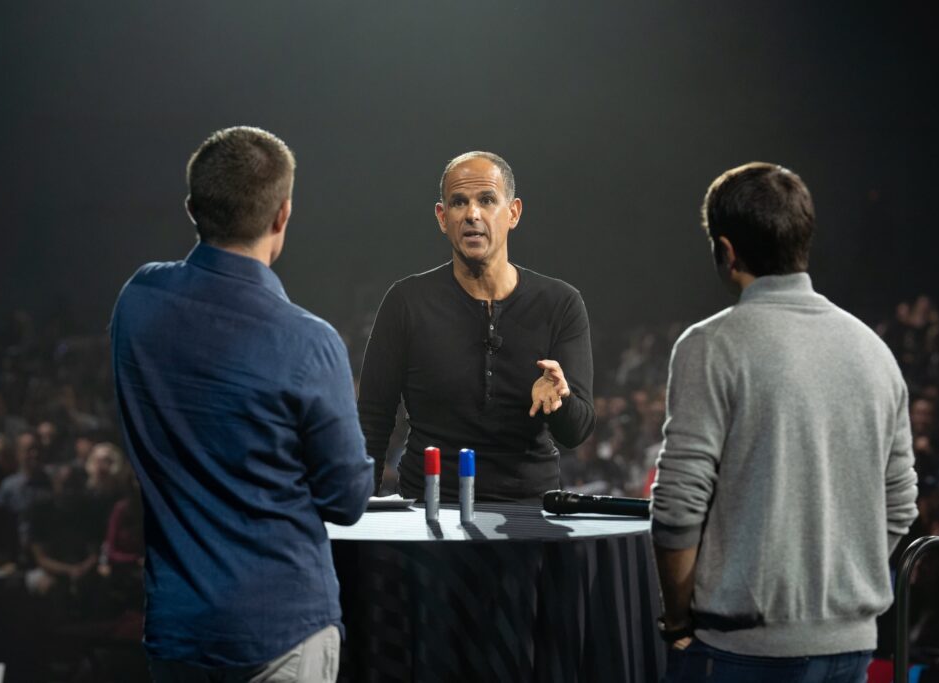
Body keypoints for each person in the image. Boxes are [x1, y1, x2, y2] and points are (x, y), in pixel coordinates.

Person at [111, 126, 373, 682]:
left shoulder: (137, 302)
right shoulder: (309, 341)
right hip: (282, 627)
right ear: (282, 215)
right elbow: (347, 499)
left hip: (179, 630)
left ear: (192, 210)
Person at [650, 162, 919, 682]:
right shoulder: (874, 352)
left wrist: (677, 617)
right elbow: (901, 504)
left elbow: (678, 507)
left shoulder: (711, 346)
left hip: (740, 651)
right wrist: (835, 585)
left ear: (726, 251)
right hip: (851, 647)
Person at [358, 151, 594, 503]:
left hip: (529, 519)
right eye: (458, 202)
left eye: (487, 200)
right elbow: (373, 420)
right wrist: (359, 515)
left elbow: (577, 431)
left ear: (513, 212)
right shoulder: (406, 302)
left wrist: (561, 400)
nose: (472, 214)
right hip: (427, 519)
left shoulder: (561, 303)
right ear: (442, 217)